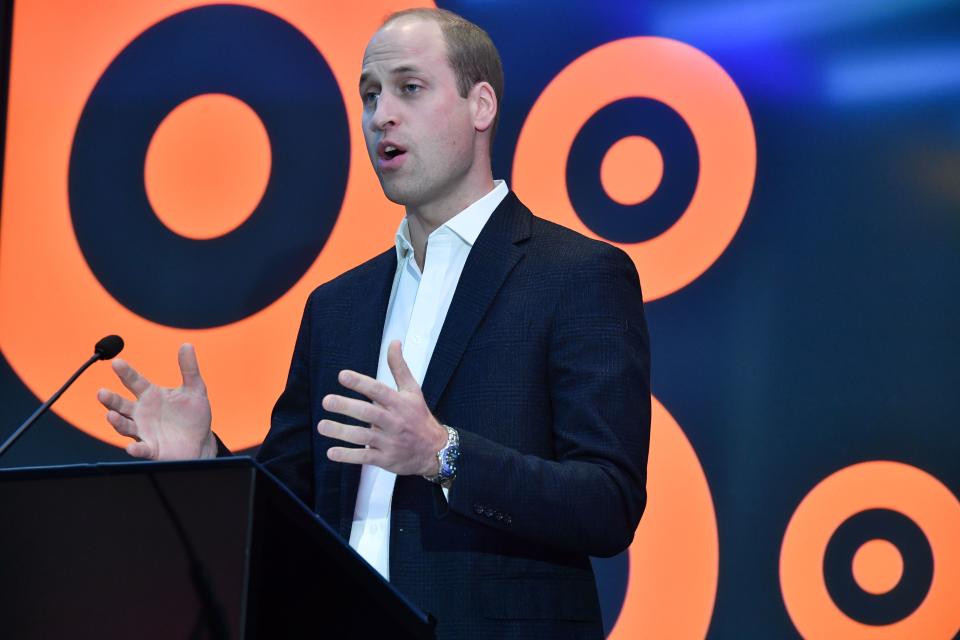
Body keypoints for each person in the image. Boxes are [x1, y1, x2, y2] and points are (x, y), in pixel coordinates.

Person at [97, 8, 650, 639]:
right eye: (369, 95)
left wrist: (444, 454)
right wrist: (204, 459)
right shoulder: (338, 305)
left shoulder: (578, 275)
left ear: (482, 105)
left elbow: (607, 503)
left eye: (409, 89)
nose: (380, 114)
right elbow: (290, 512)